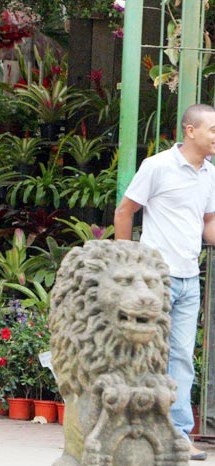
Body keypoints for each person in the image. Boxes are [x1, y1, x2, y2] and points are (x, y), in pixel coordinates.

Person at [114, 103, 215, 462]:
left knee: (182, 359)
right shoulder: (156, 166)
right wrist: (127, 265)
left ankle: (178, 435)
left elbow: (207, 224)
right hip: (153, 279)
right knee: (142, 355)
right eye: (213, 130)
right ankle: (129, 430)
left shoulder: (209, 175)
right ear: (191, 131)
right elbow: (125, 211)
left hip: (190, 279)